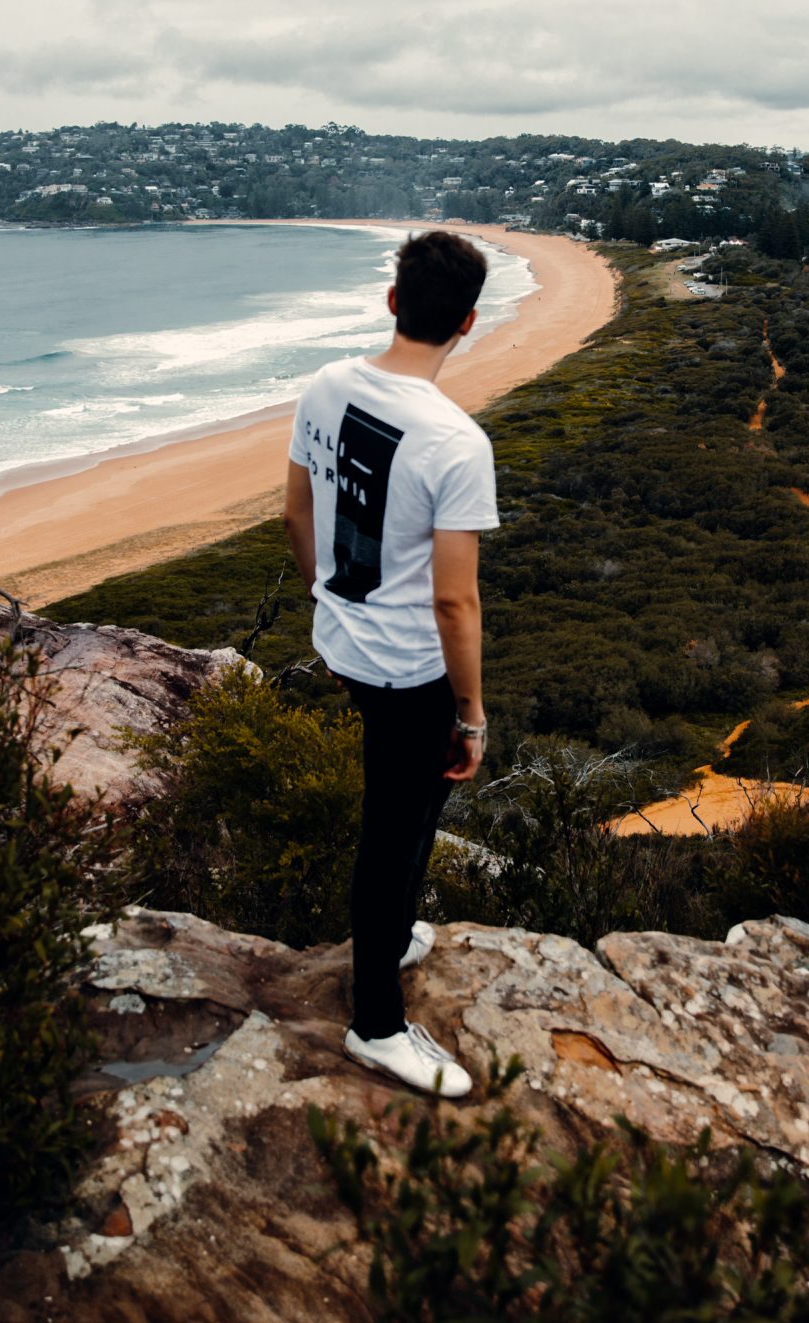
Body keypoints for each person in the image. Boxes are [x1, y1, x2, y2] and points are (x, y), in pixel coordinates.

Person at [284, 230, 497, 1099]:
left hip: (343, 642)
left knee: (405, 813)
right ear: (470, 322)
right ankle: (375, 1023)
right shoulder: (455, 441)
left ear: (393, 300)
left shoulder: (327, 386)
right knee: (396, 829)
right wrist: (472, 712)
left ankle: (392, 929)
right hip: (409, 669)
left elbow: (296, 514)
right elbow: (456, 601)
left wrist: (328, 607)